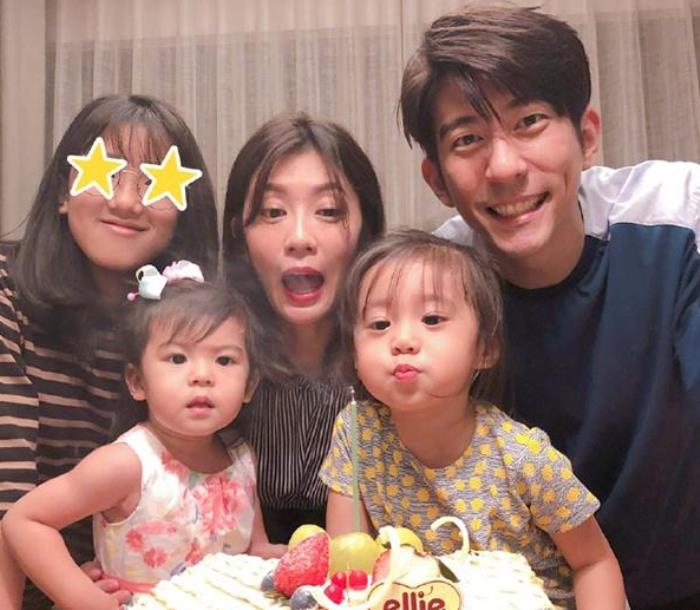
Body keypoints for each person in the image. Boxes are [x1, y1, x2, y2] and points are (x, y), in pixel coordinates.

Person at [399, 6, 700, 609]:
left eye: (530, 121)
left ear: (586, 135)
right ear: (437, 180)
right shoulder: (434, 293)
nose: (505, 167)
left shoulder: (677, 218)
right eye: (468, 140)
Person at [321, 229, 625, 610]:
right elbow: (349, 568)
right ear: (354, 353)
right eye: (380, 324)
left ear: (485, 348)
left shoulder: (523, 458)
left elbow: (594, 562)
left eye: (432, 318)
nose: (402, 340)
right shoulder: (356, 432)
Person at [0, 94, 219, 609]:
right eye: (108, 174)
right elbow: (6, 489)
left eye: (153, 183)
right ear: (64, 192)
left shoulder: (184, 327)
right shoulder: (7, 289)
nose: (126, 202)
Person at [2, 263, 285, 610]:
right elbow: (25, 520)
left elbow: (252, 549)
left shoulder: (241, 458)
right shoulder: (127, 463)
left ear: (250, 385)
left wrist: (280, 558)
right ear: (137, 382)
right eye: (177, 358)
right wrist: (85, 599)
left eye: (224, 360)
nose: (202, 375)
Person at [222, 112, 385, 542]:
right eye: (273, 211)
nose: (299, 237)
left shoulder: (396, 364)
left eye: (328, 211)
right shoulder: (211, 363)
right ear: (240, 235)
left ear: (365, 229)